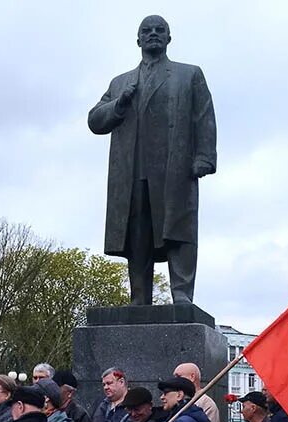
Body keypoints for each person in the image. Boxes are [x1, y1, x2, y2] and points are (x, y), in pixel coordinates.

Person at [88, 14, 217, 305]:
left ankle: (181, 293)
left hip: (175, 167)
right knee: (138, 234)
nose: (153, 34)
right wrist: (119, 104)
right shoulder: (121, 82)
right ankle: (139, 297)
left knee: (179, 229)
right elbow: (95, 121)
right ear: (138, 40)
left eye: (160, 30)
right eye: (147, 31)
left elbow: (204, 116)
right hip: (133, 171)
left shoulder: (189, 74)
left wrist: (204, 157)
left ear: (169, 38)